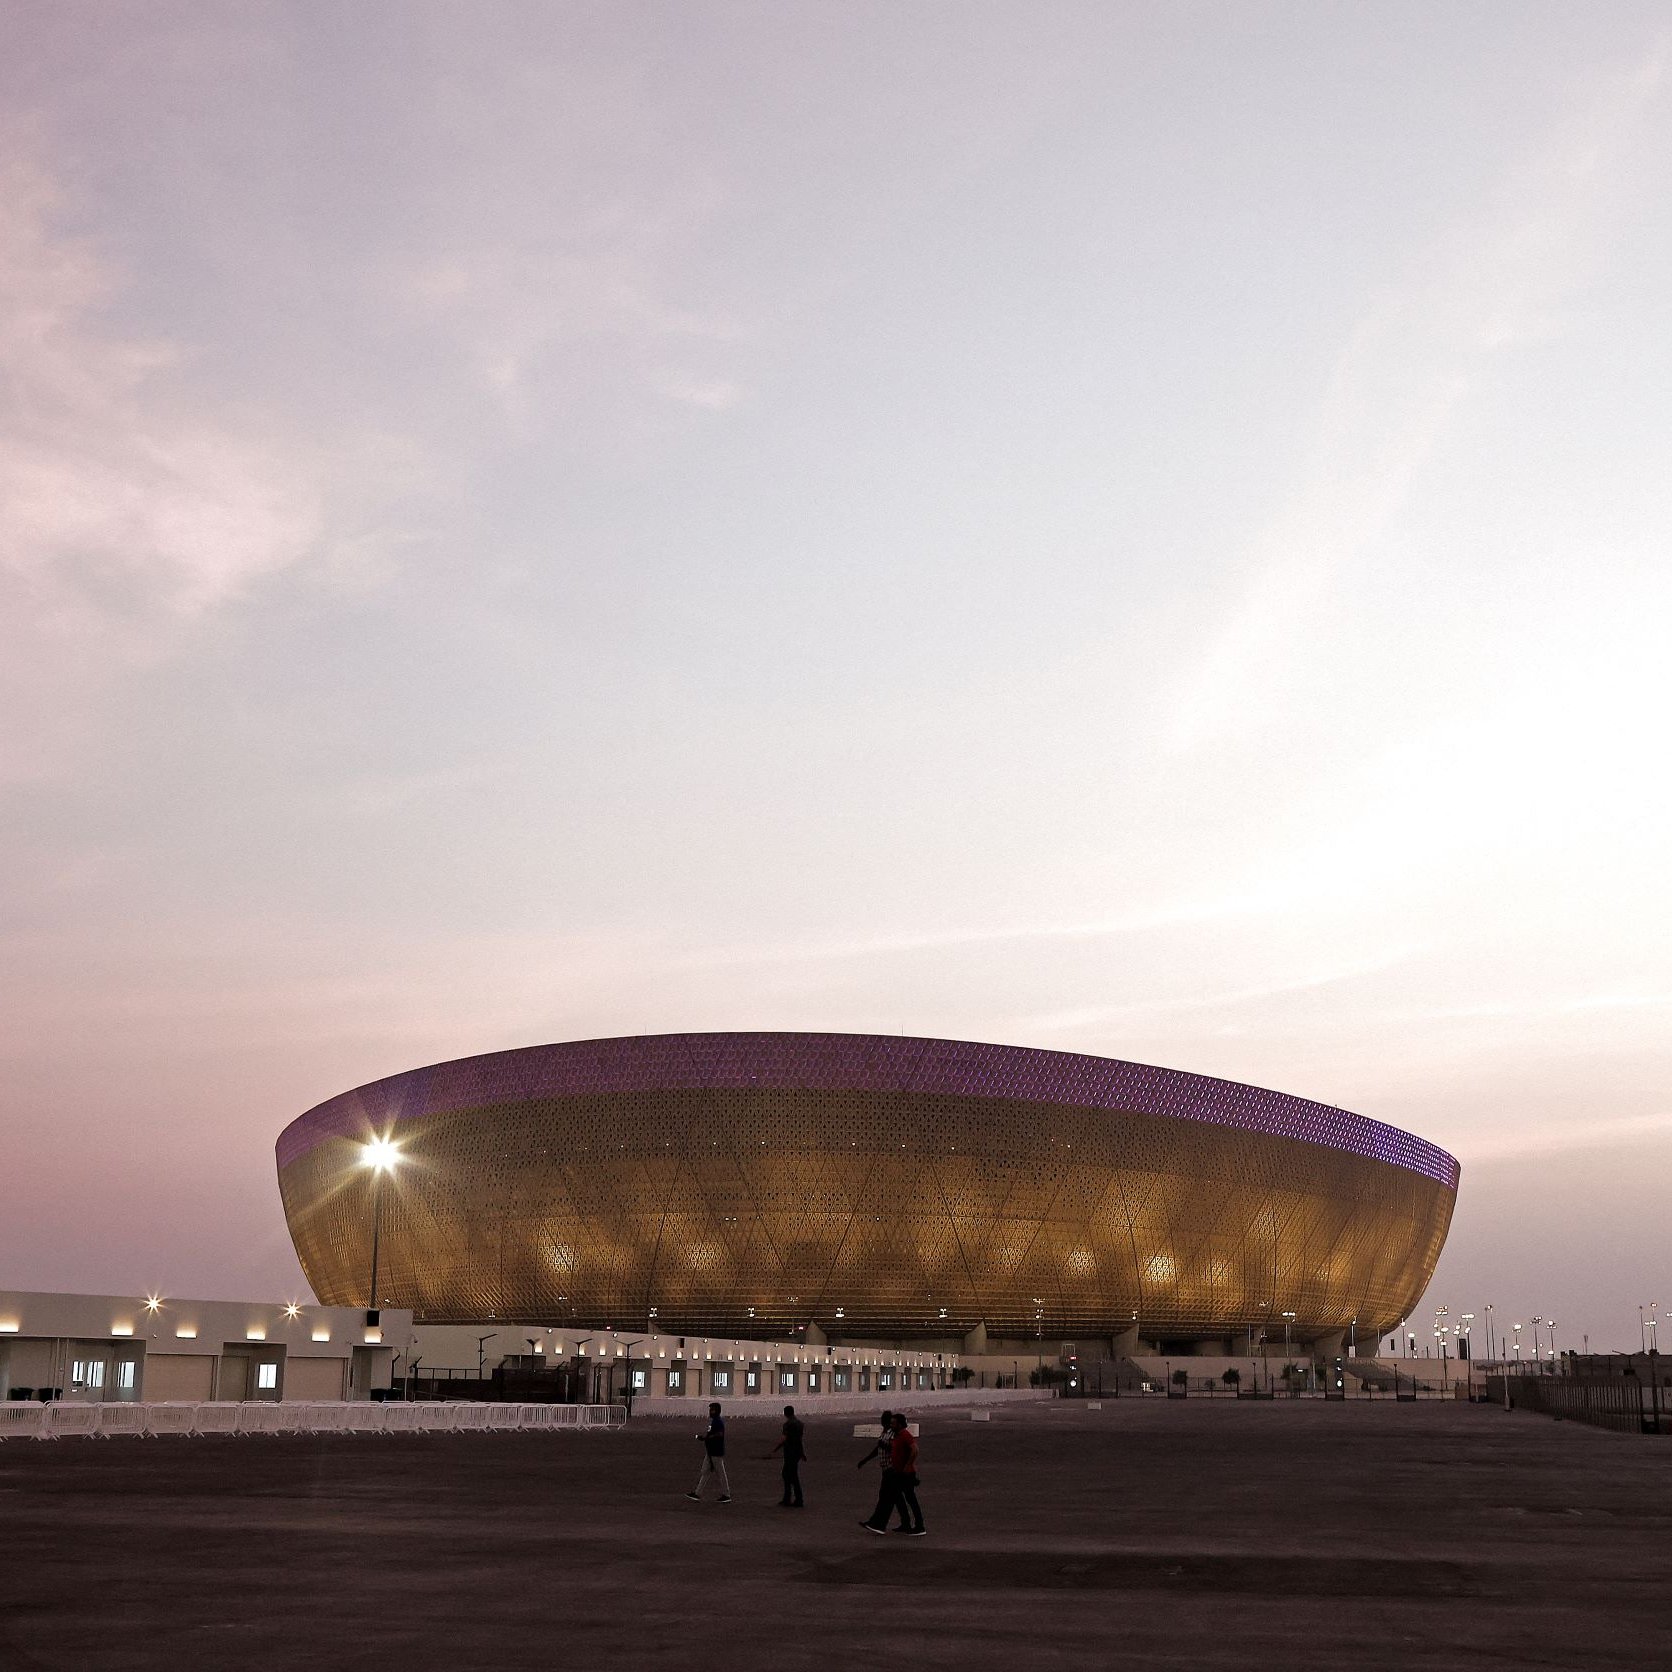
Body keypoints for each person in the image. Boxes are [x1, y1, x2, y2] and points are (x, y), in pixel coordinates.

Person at [858, 1410, 914, 1534]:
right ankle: (905, 1523)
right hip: (886, 1468)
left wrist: (884, 1447)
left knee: (885, 1497)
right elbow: (878, 1448)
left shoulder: (893, 1433)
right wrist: (865, 1459)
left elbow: (896, 1449)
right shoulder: (885, 1432)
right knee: (896, 1497)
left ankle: (877, 1523)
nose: (882, 1422)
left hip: (891, 1469)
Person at [889, 1412, 925, 1536]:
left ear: (899, 1424)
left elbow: (915, 1450)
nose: (891, 1425)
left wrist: (908, 1465)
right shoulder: (897, 1435)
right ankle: (905, 1523)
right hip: (898, 1472)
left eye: (893, 1423)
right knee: (898, 1497)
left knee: (911, 1499)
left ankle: (920, 1526)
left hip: (906, 1473)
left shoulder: (905, 1435)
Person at [687, 1402, 731, 1502]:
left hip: (715, 1452)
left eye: (712, 1410)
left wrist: (707, 1438)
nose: (710, 1412)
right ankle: (697, 1493)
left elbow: (719, 1434)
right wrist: (705, 1438)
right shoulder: (715, 1422)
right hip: (711, 1451)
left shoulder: (717, 1422)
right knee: (705, 1471)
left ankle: (726, 1495)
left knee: (720, 1473)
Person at [769, 1404, 807, 1506]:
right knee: (792, 1474)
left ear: (785, 1413)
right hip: (797, 1452)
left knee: (787, 1475)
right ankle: (795, 1498)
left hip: (789, 1452)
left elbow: (784, 1439)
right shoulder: (800, 1424)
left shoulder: (787, 1425)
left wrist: (775, 1449)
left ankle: (791, 1498)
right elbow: (799, 1440)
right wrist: (802, 1453)